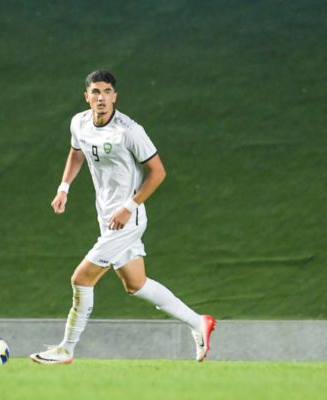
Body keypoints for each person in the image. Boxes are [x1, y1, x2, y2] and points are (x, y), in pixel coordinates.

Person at [30, 70, 215, 365]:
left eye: (107, 92)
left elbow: (158, 172)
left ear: (115, 96)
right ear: (87, 96)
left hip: (128, 220)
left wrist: (129, 206)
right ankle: (199, 322)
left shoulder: (129, 131)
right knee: (136, 283)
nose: (101, 97)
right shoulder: (79, 123)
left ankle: (66, 349)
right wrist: (64, 187)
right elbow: (76, 152)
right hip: (106, 217)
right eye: (96, 92)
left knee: (81, 278)